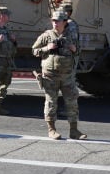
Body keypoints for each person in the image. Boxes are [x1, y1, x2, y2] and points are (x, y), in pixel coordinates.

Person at [31, 10, 86, 140]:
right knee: (51, 102)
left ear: (65, 22)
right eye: (54, 21)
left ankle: (74, 130)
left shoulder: (71, 36)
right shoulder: (46, 36)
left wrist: (75, 49)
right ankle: (51, 129)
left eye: (58, 21)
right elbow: (34, 50)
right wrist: (47, 48)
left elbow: (78, 51)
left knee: (72, 102)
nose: (55, 23)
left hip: (67, 76)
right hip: (50, 76)